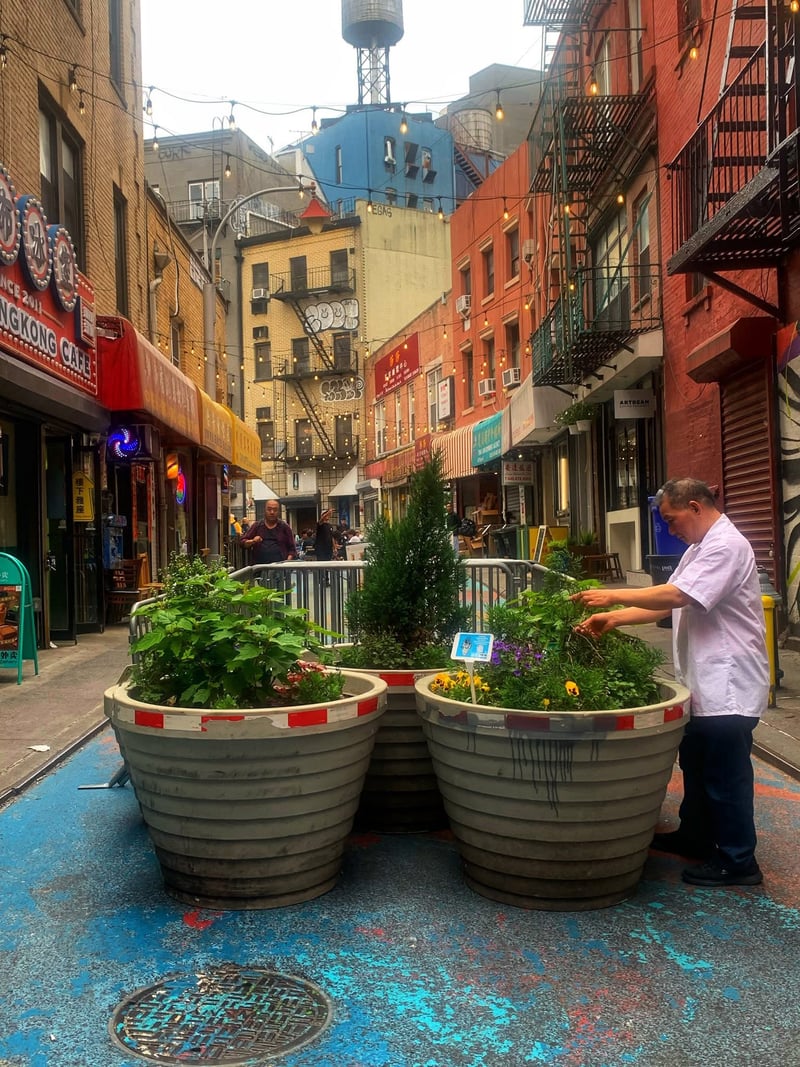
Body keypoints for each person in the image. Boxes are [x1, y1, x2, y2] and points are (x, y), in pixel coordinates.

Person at [570, 477, 769, 889]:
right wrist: (614, 619)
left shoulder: (726, 546)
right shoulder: (698, 549)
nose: (670, 528)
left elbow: (677, 597)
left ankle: (737, 860)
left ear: (695, 507)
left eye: (671, 519)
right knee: (695, 765)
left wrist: (614, 598)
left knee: (725, 776)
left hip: (728, 684)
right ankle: (696, 836)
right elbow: (665, 600)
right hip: (702, 682)